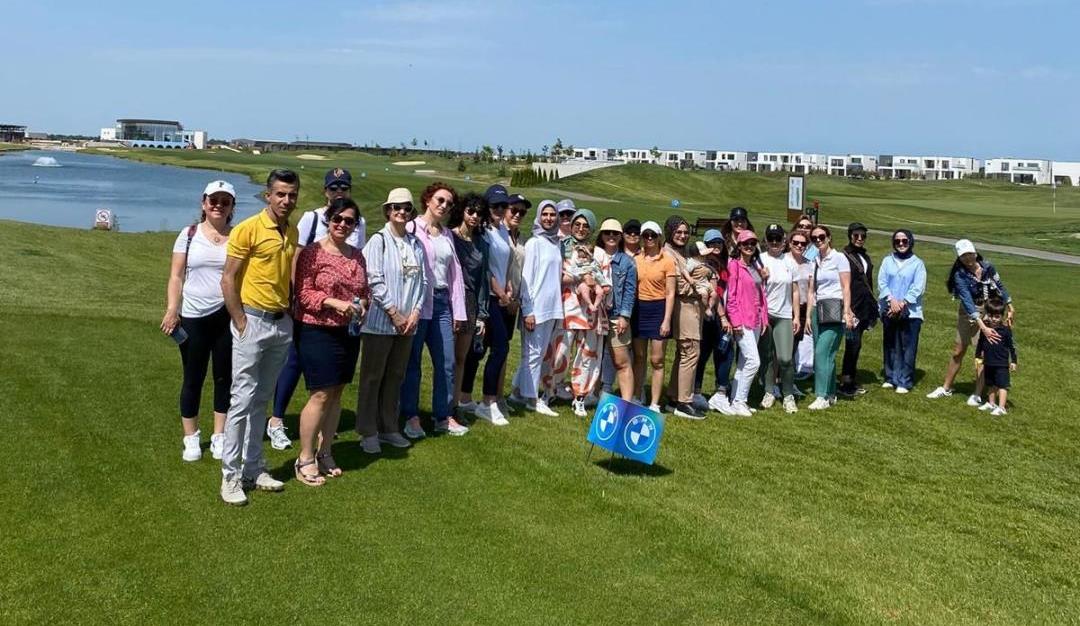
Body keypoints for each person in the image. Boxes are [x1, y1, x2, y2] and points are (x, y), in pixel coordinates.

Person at [218, 169, 300, 506]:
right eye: (280, 194)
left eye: (292, 195)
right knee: (241, 399)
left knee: (262, 399)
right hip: (251, 320)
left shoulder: (291, 230)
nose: (286, 200)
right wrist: (239, 320)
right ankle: (230, 476)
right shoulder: (248, 228)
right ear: (268, 195)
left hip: (280, 324)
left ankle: (254, 467)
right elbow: (228, 278)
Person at [269, 168, 364, 450]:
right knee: (297, 367)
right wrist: (297, 298)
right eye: (334, 188)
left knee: (334, 387)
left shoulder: (357, 230)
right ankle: (277, 422)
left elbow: (360, 280)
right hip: (312, 317)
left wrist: (360, 303)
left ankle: (324, 444)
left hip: (346, 326)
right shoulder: (312, 220)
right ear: (325, 191)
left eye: (343, 188)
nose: (338, 192)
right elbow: (298, 264)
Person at [291, 198, 368, 485]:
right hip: (317, 330)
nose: (342, 224)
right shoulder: (312, 252)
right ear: (328, 220)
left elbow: (364, 291)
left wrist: (363, 306)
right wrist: (334, 302)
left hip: (348, 332)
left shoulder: (357, 256)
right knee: (321, 394)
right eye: (337, 218)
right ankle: (305, 458)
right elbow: (303, 293)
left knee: (337, 393)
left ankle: (325, 452)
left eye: (349, 221)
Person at [161, 180, 235, 462]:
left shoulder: (238, 236)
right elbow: (176, 276)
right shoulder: (189, 234)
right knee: (193, 377)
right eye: (213, 200)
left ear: (231, 207)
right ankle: (191, 437)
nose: (218, 206)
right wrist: (172, 308)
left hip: (226, 315)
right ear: (204, 203)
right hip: (193, 316)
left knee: (224, 377)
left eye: (225, 202)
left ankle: (219, 435)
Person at [356, 188, 427, 453]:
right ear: (388, 211)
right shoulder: (379, 241)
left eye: (406, 208)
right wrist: (393, 312)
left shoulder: (415, 243)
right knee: (372, 377)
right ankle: (367, 430)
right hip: (380, 323)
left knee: (395, 376)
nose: (401, 212)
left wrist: (415, 312)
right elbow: (373, 279)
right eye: (396, 207)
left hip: (407, 324)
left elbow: (423, 281)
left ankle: (388, 427)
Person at [400, 182, 468, 440]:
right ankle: (411, 416)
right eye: (440, 200)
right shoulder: (411, 228)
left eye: (449, 203)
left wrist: (458, 311)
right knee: (412, 363)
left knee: (446, 362)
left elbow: (455, 275)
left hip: (441, 304)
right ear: (428, 200)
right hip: (417, 303)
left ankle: (443, 416)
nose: (444, 206)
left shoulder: (447, 235)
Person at [927, 239, 1015, 405]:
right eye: (963, 256)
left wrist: (1010, 306)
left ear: (975, 253)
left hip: (988, 310)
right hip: (969, 312)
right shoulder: (959, 275)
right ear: (959, 258)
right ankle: (946, 388)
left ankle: (977, 393)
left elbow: (1000, 286)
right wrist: (982, 326)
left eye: (970, 254)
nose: (967, 258)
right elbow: (967, 301)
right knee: (958, 351)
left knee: (983, 353)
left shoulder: (988, 267)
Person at [544, 208, 607, 416]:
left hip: (591, 314)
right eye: (577, 225)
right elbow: (555, 276)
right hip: (567, 309)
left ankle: (580, 396)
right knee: (559, 353)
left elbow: (606, 282)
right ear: (571, 226)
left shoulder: (599, 253)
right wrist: (580, 278)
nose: (581, 229)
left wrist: (594, 282)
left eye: (585, 226)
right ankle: (550, 390)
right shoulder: (562, 247)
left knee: (587, 356)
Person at [461, 185, 514, 425]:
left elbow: (504, 264)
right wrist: (500, 292)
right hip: (489, 297)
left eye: (504, 205)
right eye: (495, 205)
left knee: (480, 350)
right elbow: (485, 268)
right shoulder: (483, 232)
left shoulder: (502, 230)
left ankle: (465, 397)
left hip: (500, 296)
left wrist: (508, 286)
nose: (500, 210)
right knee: (499, 348)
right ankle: (488, 401)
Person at [510, 200, 564, 415]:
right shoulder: (534, 243)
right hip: (536, 308)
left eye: (552, 214)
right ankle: (532, 399)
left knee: (537, 355)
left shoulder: (555, 243)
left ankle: (517, 392)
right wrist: (528, 310)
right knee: (532, 355)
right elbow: (527, 279)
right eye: (545, 214)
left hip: (552, 307)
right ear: (539, 217)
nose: (549, 218)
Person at [447, 192, 489, 435]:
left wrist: (482, 314)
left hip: (471, 302)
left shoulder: (481, 243)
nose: (474, 216)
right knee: (447, 358)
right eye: (470, 211)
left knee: (461, 358)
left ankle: (454, 406)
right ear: (462, 211)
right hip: (450, 301)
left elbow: (483, 280)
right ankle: (442, 407)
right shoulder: (449, 237)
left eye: (479, 213)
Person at [804, 225, 856, 410]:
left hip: (835, 308)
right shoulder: (814, 260)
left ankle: (822, 395)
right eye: (814, 238)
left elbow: (846, 287)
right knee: (826, 354)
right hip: (817, 309)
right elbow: (811, 290)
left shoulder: (839, 258)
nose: (818, 240)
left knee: (822, 353)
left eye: (821, 237)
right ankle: (831, 392)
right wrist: (808, 316)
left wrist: (846, 312)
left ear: (829, 237)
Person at [663, 216, 705, 419]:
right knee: (690, 351)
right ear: (669, 232)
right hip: (684, 306)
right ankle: (684, 401)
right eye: (678, 232)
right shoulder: (669, 254)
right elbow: (679, 285)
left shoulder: (683, 252)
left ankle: (674, 397)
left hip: (692, 306)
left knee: (684, 353)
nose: (682, 235)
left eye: (686, 232)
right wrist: (701, 287)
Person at [631, 221, 676, 412]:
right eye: (646, 235)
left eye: (653, 235)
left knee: (657, 360)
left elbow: (670, 293)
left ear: (659, 237)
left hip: (658, 309)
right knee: (639, 357)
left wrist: (666, 320)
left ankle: (655, 403)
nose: (649, 238)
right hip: (639, 309)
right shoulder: (636, 259)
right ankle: (636, 396)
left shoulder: (667, 260)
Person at [758, 224, 801, 413]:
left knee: (785, 358)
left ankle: (788, 395)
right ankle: (769, 391)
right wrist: (761, 277)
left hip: (784, 315)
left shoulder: (789, 262)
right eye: (771, 238)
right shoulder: (760, 259)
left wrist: (796, 316)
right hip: (765, 315)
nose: (774, 242)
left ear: (784, 240)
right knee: (767, 356)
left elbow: (795, 290)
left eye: (778, 238)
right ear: (766, 240)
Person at [725, 229, 769, 417]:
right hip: (742, 320)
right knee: (753, 361)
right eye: (745, 244)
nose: (749, 246)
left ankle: (736, 399)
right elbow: (731, 297)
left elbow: (761, 294)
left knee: (744, 362)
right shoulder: (734, 266)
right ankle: (740, 401)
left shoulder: (755, 266)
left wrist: (764, 318)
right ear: (739, 246)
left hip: (756, 319)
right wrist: (735, 321)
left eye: (752, 243)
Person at [692, 229, 736, 414]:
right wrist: (723, 317)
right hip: (710, 315)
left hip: (717, 313)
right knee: (711, 352)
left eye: (719, 242)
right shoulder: (706, 265)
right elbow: (714, 294)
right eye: (711, 243)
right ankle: (702, 392)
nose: (716, 246)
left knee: (721, 351)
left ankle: (716, 391)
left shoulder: (722, 264)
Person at [878, 229, 926, 394]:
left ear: (910, 242)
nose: (901, 244)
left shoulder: (917, 263)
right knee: (890, 344)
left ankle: (904, 381)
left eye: (904, 241)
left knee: (907, 347)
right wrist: (891, 300)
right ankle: (890, 377)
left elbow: (918, 287)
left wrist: (903, 302)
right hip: (889, 309)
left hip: (911, 311)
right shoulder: (887, 261)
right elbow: (882, 282)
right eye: (897, 241)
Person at [595, 218, 637, 402]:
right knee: (592, 358)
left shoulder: (627, 262)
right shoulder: (593, 256)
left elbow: (630, 291)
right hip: (594, 314)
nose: (611, 236)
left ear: (620, 237)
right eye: (607, 233)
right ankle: (591, 395)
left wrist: (624, 316)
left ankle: (626, 401)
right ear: (601, 235)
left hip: (615, 315)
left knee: (621, 361)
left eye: (615, 233)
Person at [838, 223, 878, 397]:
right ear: (850, 236)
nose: (860, 239)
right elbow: (841, 283)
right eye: (856, 235)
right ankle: (846, 382)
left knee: (857, 344)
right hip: (851, 307)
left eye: (863, 236)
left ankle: (850, 378)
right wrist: (847, 308)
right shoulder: (844, 256)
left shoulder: (865, 256)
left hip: (863, 306)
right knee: (852, 344)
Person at [973, 298, 1017, 416]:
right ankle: (991, 403)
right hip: (988, 362)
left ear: (1002, 316)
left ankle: (1002, 407)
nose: (993, 319)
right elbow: (980, 343)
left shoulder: (1006, 331)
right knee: (990, 384)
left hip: (1001, 364)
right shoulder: (985, 329)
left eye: (997, 316)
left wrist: (1014, 361)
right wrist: (977, 356)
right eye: (991, 316)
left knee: (1002, 385)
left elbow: (1012, 346)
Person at [787, 229, 815, 379]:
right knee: (783, 348)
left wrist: (808, 315)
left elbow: (811, 291)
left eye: (803, 244)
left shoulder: (809, 264)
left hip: (802, 309)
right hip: (785, 308)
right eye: (796, 242)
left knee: (794, 345)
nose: (799, 246)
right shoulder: (783, 260)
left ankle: (788, 380)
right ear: (789, 243)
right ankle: (775, 379)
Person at [567, 244, 610, 313]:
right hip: (582, 283)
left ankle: (595, 305)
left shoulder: (592, 264)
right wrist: (584, 275)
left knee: (600, 292)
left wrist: (604, 284)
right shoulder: (576, 265)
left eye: (584, 257)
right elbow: (574, 272)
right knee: (584, 289)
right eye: (579, 257)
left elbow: (599, 275)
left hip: (594, 283)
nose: (582, 259)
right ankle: (589, 304)